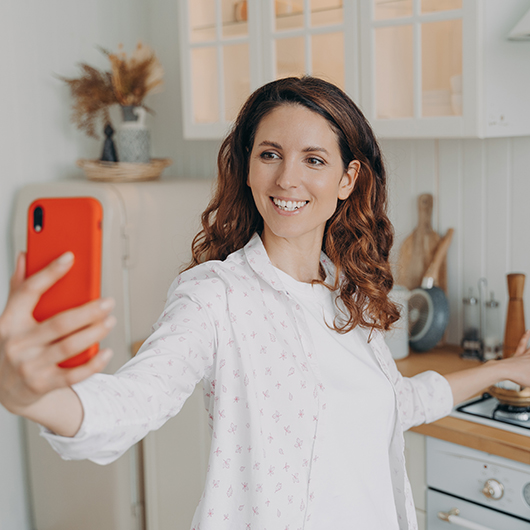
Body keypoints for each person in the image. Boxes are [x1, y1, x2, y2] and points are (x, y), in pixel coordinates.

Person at [1, 76, 530, 530]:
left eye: (314, 159)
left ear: (347, 180)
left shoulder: (350, 294)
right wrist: (30, 398)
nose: (287, 179)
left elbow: (397, 404)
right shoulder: (216, 295)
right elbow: (135, 401)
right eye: (270, 154)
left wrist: (505, 369)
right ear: (248, 168)